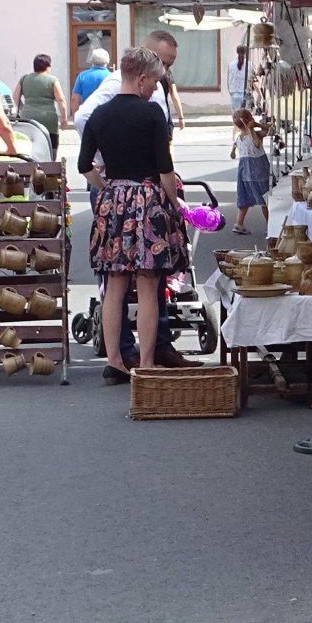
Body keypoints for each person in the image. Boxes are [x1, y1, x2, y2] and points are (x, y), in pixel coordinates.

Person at [80, 46, 189, 385]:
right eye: (155, 81)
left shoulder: (99, 114)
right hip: (147, 201)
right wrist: (176, 205)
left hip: (113, 202)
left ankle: (114, 362)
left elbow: (84, 165)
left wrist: (107, 186)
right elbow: (165, 169)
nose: (156, 88)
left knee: (114, 286)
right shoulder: (152, 113)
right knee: (147, 284)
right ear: (141, 79)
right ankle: (147, 363)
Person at [74, 31, 177, 132]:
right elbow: (82, 118)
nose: (164, 70)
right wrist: (106, 142)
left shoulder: (157, 85)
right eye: (162, 63)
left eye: (169, 65)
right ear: (146, 54)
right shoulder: (118, 82)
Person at [230, 107, 270, 234]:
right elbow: (269, 131)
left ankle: (239, 223)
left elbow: (232, 154)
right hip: (259, 170)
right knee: (265, 199)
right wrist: (256, 126)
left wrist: (251, 127)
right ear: (250, 119)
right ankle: (270, 226)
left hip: (244, 172)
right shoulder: (255, 135)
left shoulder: (238, 139)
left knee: (245, 197)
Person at [14, 53, 64, 153]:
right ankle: (51, 160)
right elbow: (61, 100)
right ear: (47, 67)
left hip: (28, 117)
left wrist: (24, 108)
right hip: (48, 118)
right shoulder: (53, 80)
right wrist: (64, 118)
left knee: (30, 145)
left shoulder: (24, 79)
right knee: (51, 145)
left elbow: (15, 97)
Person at [71, 48, 110, 114]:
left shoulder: (82, 76)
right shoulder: (111, 77)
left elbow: (74, 99)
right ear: (107, 61)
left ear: (91, 60)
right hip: (106, 114)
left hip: (87, 114)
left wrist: (76, 116)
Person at [228, 44, 250, 114]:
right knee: (245, 117)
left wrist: (230, 91)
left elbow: (229, 80)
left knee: (236, 116)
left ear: (237, 52)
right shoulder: (249, 64)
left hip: (234, 92)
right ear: (245, 52)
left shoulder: (231, 64)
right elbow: (250, 79)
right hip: (245, 93)